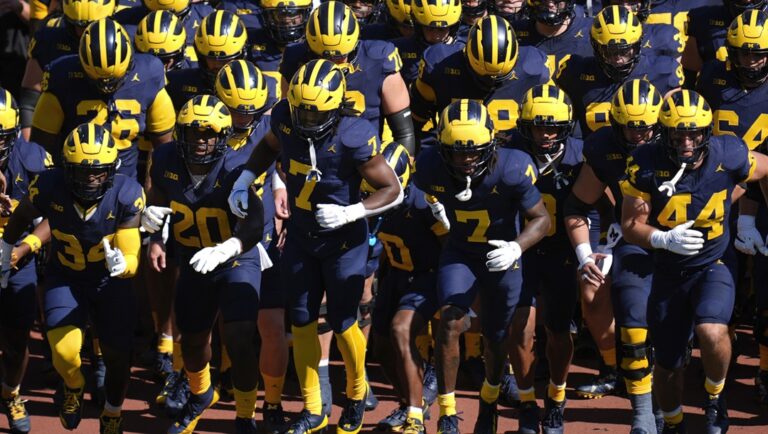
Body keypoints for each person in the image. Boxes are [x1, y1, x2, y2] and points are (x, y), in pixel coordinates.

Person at [228, 58, 404, 434]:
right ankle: (313, 408)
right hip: (303, 238)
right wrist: (246, 176)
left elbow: (393, 190)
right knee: (303, 322)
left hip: (343, 242)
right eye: (301, 112)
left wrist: (352, 212)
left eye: (315, 114)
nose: (307, 121)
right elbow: (268, 147)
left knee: (342, 322)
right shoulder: (285, 117)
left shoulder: (354, 134)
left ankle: (355, 395)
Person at [620, 89, 768, 433]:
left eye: (694, 133)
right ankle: (672, 420)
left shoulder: (728, 152)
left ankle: (715, 397)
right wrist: (661, 238)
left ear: (707, 132)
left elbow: (765, 169)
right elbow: (630, 225)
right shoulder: (645, 161)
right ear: (664, 132)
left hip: (712, 264)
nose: (687, 142)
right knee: (668, 365)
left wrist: (747, 213)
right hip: (668, 271)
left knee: (712, 329)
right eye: (678, 134)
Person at [413, 99, 550, 434]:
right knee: (450, 321)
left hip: (502, 255)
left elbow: (542, 219)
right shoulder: (431, 164)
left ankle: (489, 398)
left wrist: (516, 246)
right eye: (457, 152)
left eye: (474, 151)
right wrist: (435, 205)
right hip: (460, 253)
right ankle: (448, 413)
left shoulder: (513, 167)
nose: (467, 159)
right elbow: (422, 191)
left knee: (496, 338)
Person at [1, 122, 145, 434]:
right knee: (64, 352)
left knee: (118, 358)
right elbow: (21, 217)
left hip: (110, 282)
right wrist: (7, 250)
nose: (91, 180)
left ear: (112, 169)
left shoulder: (126, 193)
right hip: (65, 275)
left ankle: (113, 413)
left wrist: (126, 263)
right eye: (82, 171)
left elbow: (132, 248)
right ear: (67, 168)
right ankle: (74, 385)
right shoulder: (49, 185)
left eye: (98, 172)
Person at [143, 94, 268, 434]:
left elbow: (256, 221)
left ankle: (245, 416)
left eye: (209, 134)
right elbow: (158, 198)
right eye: (194, 133)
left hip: (236, 258)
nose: (201, 141)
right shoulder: (167, 157)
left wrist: (228, 247)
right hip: (194, 260)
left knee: (240, 335)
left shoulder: (234, 168)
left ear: (223, 136)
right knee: (193, 341)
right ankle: (201, 394)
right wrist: (153, 229)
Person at [565, 78, 664, 432]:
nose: (638, 136)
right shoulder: (605, 146)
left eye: (646, 128)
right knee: (591, 289)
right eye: (629, 128)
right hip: (620, 226)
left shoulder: (677, 142)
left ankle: (668, 381)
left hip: (674, 227)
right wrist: (584, 254)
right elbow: (577, 204)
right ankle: (614, 368)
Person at [696, 8, 768, 408]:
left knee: (763, 287)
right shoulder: (712, 77)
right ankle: (713, 349)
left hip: (758, 191)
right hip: (714, 193)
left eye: (759, 54)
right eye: (743, 53)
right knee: (715, 279)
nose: (751, 61)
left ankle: (763, 365)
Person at [508, 84, 583, 434]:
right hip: (520, 249)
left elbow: (602, 201)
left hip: (561, 252)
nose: (547, 133)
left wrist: (600, 246)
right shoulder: (508, 152)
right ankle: (526, 401)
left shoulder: (581, 156)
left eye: (553, 126)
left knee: (559, 331)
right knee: (520, 328)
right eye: (539, 125)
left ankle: (556, 397)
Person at [30, 17, 175, 178]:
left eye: (114, 80)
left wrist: (149, 190)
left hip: (126, 184)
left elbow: (163, 148)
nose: (106, 87)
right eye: (98, 80)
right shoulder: (61, 75)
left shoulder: (150, 73)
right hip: (74, 181)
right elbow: (40, 149)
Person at [0, 86, 51, 434]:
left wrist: (23, 246)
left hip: (18, 255)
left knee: (17, 341)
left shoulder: (33, 158)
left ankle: (11, 392)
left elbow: (56, 211)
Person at [555, 5, 682, 138]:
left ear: (637, 45)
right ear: (596, 47)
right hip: (597, 155)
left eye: (624, 50)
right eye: (610, 51)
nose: (618, 59)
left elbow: (675, 128)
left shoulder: (662, 72)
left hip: (646, 155)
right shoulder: (575, 71)